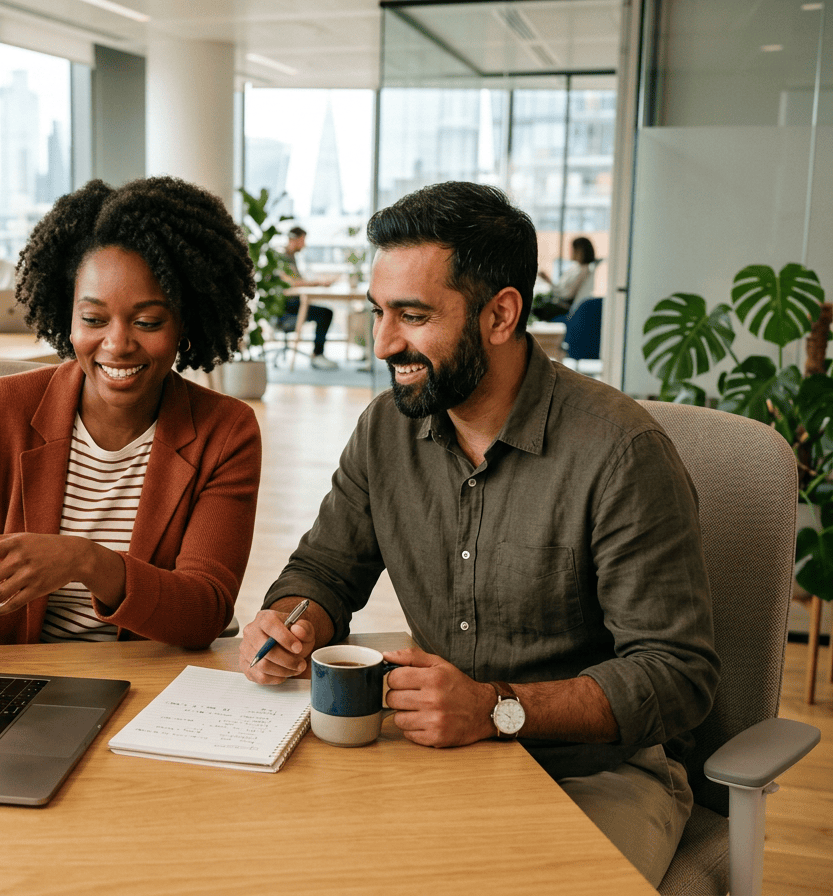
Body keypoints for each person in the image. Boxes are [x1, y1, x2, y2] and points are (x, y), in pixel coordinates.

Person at [240, 182, 718, 888]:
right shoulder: (386, 429)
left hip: (596, 776)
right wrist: (290, 619)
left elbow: (677, 676)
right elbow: (326, 570)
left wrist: (499, 707)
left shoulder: (620, 453)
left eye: (413, 315)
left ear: (501, 314)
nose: (383, 343)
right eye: (379, 313)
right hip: (434, 756)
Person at [0, 176, 262, 652]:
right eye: (93, 319)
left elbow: (205, 609)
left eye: (148, 322)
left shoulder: (225, 431)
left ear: (185, 324)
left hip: (153, 690)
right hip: (21, 688)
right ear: (65, 314)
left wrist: (86, 561)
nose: (117, 344)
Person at [279, 226, 338, 370]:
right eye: (302, 240)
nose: (304, 244)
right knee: (325, 314)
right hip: (286, 305)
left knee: (324, 312)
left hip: (294, 301)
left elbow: (297, 280)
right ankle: (317, 355)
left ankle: (318, 354)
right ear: (294, 239)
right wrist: (318, 283)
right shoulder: (282, 259)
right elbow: (294, 283)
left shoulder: (291, 257)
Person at [532, 235, 596, 321]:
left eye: (573, 250)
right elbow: (562, 290)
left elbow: (566, 294)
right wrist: (548, 280)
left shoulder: (583, 271)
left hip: (565, 307)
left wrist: (549, 283)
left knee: (536, 309)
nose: (571, 252)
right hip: (562, 302)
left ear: (581, 252)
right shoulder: (576, 268)